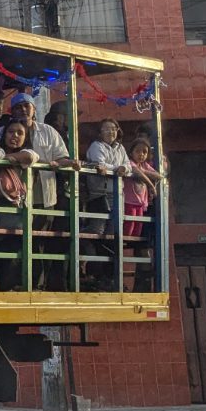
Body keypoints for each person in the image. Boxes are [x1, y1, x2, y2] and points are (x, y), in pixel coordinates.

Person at [10, 92, 79, 290]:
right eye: (18, 107)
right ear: (12, 111)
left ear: (34, 109)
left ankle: (37, 284)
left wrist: (64, 163)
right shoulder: (6, 131)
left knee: (40, 241)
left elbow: (63, 157)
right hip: (16, 194)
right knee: (19, 239)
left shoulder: (48, 131)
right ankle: (22, 283)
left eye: (27, 106)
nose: (23, 110)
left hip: (44, 194)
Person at [0, 120, 39, 292]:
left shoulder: (26, 153)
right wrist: (4, 158)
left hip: (14, 213)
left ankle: (6, 292)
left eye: (20, 133)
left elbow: (30, 157)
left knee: (9, 260)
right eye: (10, 132)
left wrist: (6, 159)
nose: (14, 136)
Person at [84, 118, 131, 289]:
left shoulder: (120, 147)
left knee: (112, 235)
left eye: (113, 129)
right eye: (106, 129)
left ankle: (108, 276)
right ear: (100, 132)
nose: (111, 132)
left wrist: (123, 169)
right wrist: (117, 169)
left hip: (117, 194)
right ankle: (93, 272)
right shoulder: (96, 146)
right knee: (96, 232)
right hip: (99, 194)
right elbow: (101, 166)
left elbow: (127, 165)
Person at [125, 137, 163, 290]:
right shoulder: (129, 162)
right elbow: (135, 172)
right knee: (128, 230)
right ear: (131, 152)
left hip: (141, 203)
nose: (141, 154)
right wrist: (151, 185)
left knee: (138, 230)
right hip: (128, 201)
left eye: (144, 152)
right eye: (138, 151)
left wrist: (145, 172)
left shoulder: (144, 165)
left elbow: (159, 175)